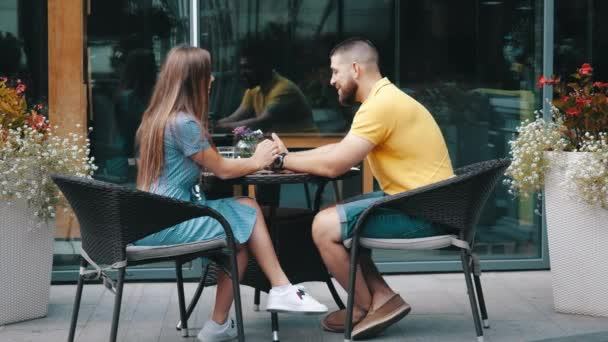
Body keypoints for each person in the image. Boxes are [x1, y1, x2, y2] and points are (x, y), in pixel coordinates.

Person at [135, 45, 327, 342]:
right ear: (194, 79)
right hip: (170, 218)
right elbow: (223, 170)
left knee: (239, 229)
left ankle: (224, 323)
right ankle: (280, 290)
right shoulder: (184, 123)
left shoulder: (157, 118)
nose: (212, 79)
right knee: (247, 211)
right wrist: (259, 159)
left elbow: (210, 166)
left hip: (155, 215)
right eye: (207, 73)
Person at [271, 38, 454, 339]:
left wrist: (282, 161)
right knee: (335, 214)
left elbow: (335, 165)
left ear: (355, 69)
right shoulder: (383, 99)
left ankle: (361, 308)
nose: (331, 81)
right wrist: (285, 158)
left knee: (324, 226)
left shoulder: (381, 105)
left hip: (425, 213)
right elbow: (340, 149)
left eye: (334, 72)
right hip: (420, 202)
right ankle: (382, 298)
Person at [215, 40, 318, 133]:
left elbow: (261, 123)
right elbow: (234, 118)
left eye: (248, 67)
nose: (243, 73)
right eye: (242, 68)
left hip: (305, 146)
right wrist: (211, 126)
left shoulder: (284, 89)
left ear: (265, 67)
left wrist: (221, 128)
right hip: (284, 146)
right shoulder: (253, 90)